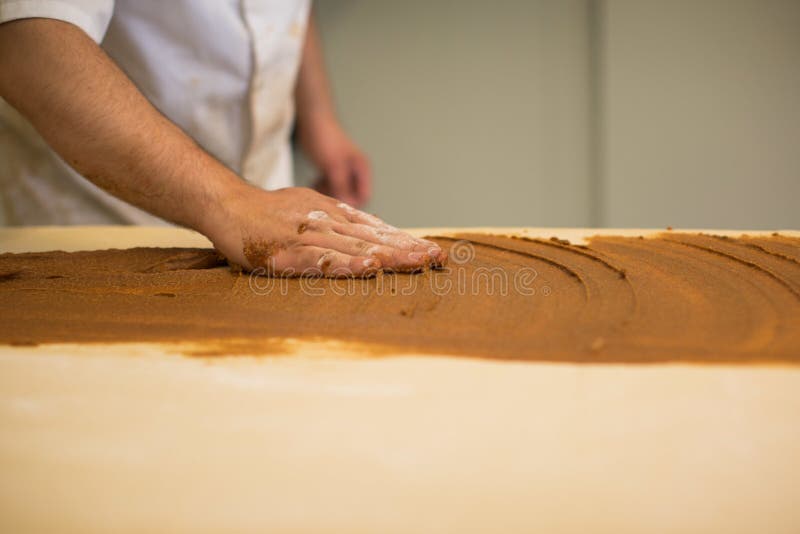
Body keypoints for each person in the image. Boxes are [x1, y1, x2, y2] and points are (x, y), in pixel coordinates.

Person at [0, 0, 444, 275]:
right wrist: (230, 202)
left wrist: (318, 118)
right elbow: (27, 41)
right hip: (98, 225)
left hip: (269, 216)